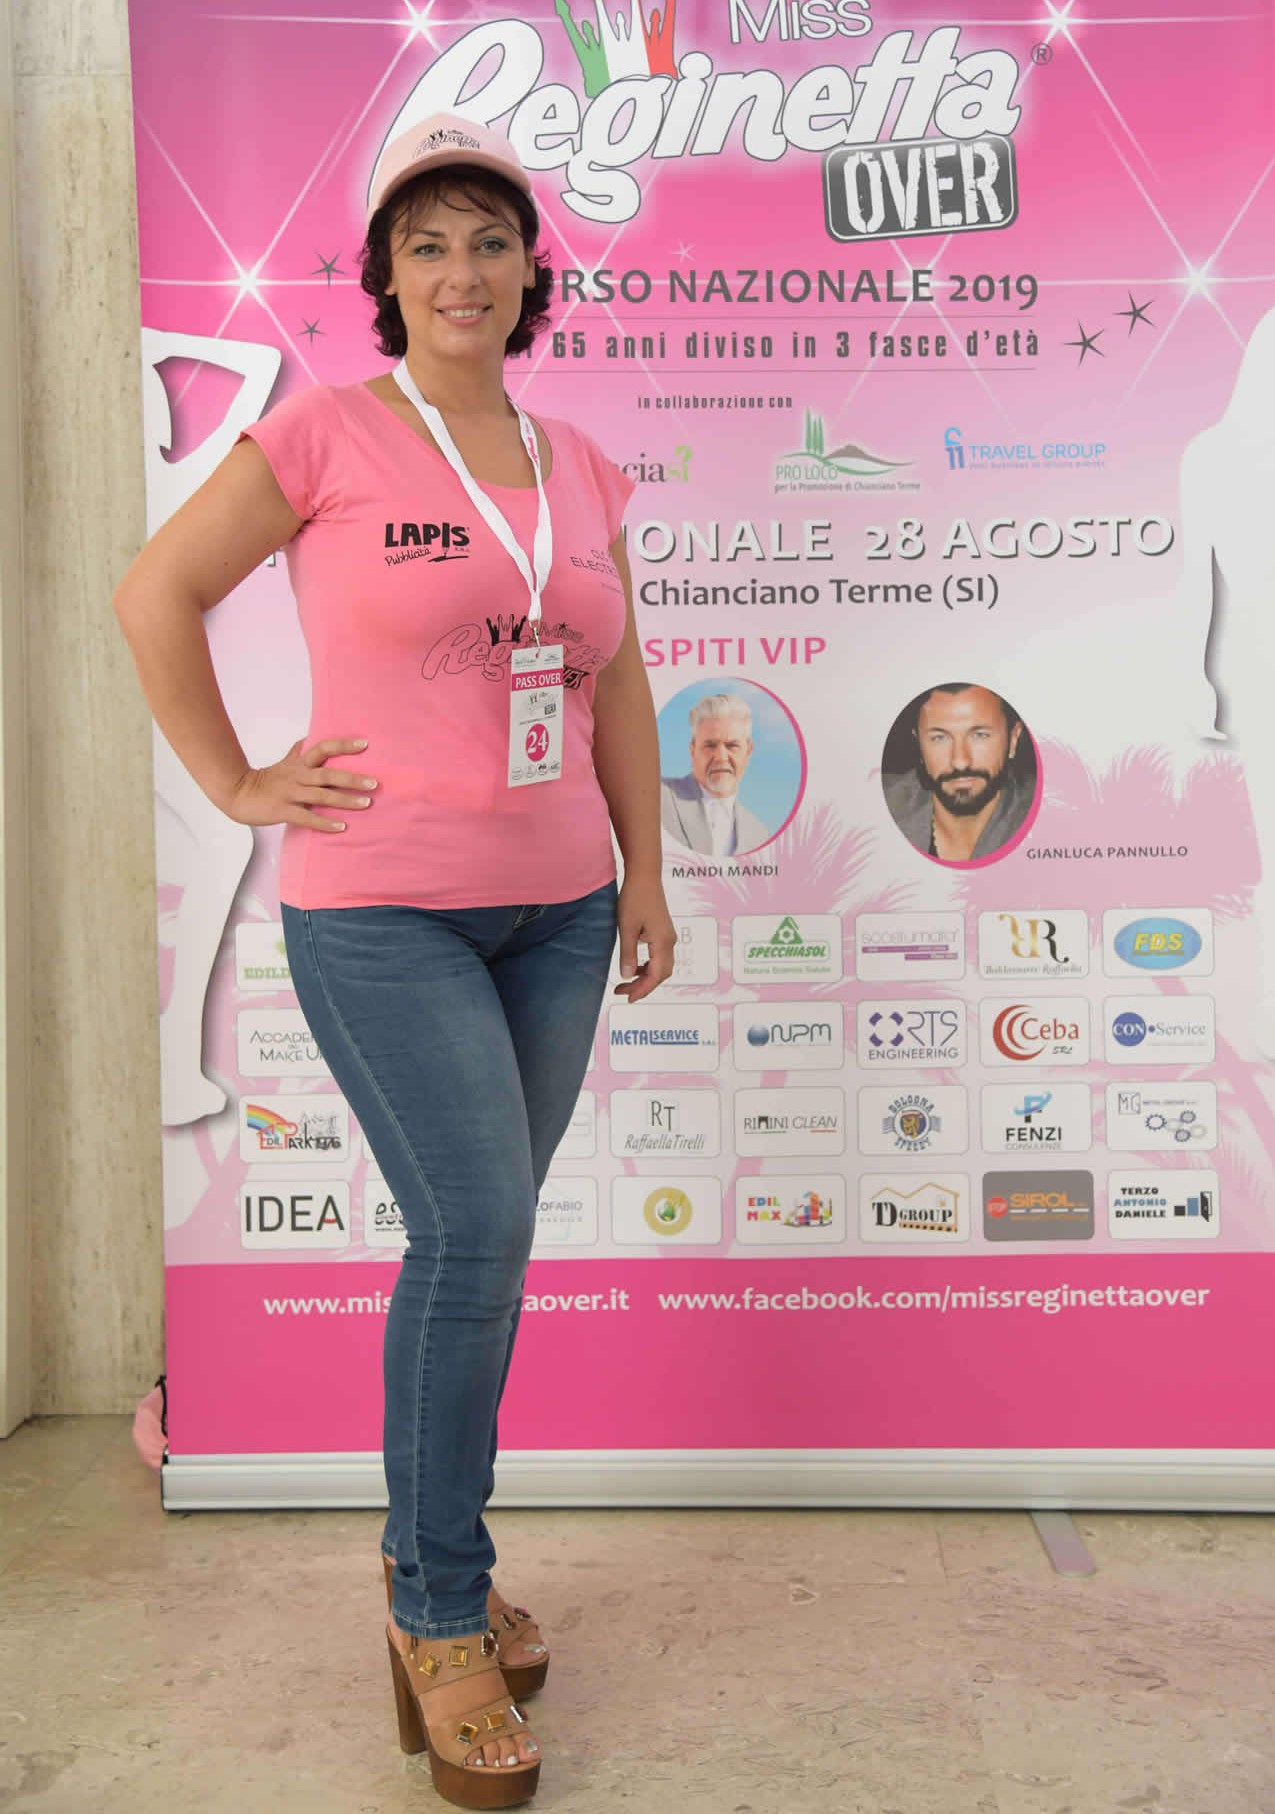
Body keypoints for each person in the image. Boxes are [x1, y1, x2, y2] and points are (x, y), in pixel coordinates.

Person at [114, 112, 675, 1807]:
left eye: (489, 239)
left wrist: (647, 870)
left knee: (484, 1255)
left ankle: (437, 1554)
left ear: (530, 272)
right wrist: (238, 780)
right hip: (381, 911)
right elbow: (154, 592)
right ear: (386, 274)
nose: (460, 270)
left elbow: (617, 677)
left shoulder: (580, 462)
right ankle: (435, 1607)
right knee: (475, 1230)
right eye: (426, 243)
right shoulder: (325, 433)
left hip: (560, 911)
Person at [883, 682, 1036, 863]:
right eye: (939, 738)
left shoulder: (1048, 815)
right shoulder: (877, 806)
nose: (960, 762)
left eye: (980, 735)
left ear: (1013, 740)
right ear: (919, 746)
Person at [660, 691, 771, 855]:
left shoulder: (760, 835)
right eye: (710, 745)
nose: (721, 757)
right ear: (692, 750)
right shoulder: (657, 797)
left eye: (732, 745)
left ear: (748, 751)